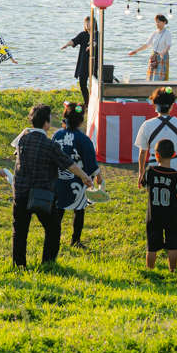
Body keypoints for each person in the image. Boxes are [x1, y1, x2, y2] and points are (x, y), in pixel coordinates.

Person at [10, 103, 68, 268]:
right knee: (53, 228)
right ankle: (48, 263)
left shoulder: (23, 139)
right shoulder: (50, 145)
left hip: (20, 192)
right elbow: (68, 164)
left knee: (19, 231)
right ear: (46, 123)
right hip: (41, 194)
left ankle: (19, 265)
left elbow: (16, 151)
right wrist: (85, 177)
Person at [52, 102, 100, 250]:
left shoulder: (57, 135)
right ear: (81, 120)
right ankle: (75, 240)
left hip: (59, 179)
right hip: (79, 180)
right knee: (79, 210)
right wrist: (98, 177)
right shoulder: (83, 139)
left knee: (58, 210)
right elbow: (91, 162)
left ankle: (54, 239)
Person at [144, 139, 177, 272]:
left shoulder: (149, 171)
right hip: (172, 215)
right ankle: (173, 270)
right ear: (174, 154)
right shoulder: (176, 176)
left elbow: (145, 185)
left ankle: (150, 270)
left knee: (152, 246)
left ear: (156, 155)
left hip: (154, 214)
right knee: (173, 245)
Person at [134, 86, 177, 177]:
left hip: (154, 164)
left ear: (155, 105)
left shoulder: (147, 125)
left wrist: (141, 173)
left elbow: (142, 152)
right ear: (172, 105)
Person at [127, 13, 170, 83]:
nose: (157, 24)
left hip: (162, 57)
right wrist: (135, 51)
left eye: (159, 22)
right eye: (156, 22)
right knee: (150, 77)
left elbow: (168, 45)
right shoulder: (155, 32)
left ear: (164, 22)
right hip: (154, 57)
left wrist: (163, 52)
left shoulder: (167, 33)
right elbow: (147, 45)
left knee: (159, 78)